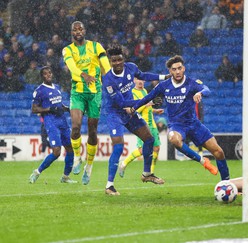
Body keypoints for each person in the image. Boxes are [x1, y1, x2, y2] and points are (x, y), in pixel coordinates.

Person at [129, 55, 230, 180]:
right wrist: (133, 108)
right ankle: (202, 161)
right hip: (177, 125)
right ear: (170, 71)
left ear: (184, 69)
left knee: (219, 152)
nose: (177, 71)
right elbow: (147, 98)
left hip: (194, 124)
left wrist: (200, 93)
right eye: (174, 69)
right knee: (173, 139)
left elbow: (206, 89)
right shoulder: (164, 85)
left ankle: (226, 183)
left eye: (179, 68)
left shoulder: (192, 83)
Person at [102, 45, 169, 195]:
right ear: (110, 61)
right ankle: (109, 186)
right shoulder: (108, 80)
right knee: (119, 146)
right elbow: (121, 104)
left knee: (149, 139)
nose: (118, 63)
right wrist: (147, 100)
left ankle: (147, 174)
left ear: (123, 58)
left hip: (130, 113)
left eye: (120, 59)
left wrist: (163, 77)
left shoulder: (131, 68)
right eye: (114, 61)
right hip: (115, 115)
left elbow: (144, 75)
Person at [62, 21, 111, 185]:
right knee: (75, 127)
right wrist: (84, 75)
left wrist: (111, 77)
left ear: (85, 31)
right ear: (71, 33)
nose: (78, 31)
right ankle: (77, 157)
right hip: (77, 92)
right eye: (74, 29)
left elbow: (105, 64)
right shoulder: (67, 50)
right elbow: (71, 67)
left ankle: (88, 167)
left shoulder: (97, 47)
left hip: (95, 93)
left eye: (80, 28)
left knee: (92, 131)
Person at [29, 66, 76, 184]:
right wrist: (49, 109)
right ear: (42, 76)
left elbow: (59, 105)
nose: (49, 75)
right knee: (56, 152)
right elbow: (34, 109)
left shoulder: (57, 87)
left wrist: (69, 109)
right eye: (45, 74)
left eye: (50, 72)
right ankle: (37, 172)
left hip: (62, 121)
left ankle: (65, 177)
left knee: (70, 148)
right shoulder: (39, 90)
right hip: (51, 122)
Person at [119, 78, 165, 177]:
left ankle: (151, 173)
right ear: (134, 80)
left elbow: (147, 107)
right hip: (142, 125)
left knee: (156, 148)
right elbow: (135, 109)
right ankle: (124, 163)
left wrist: (155, 110)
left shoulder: (145, 91)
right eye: (138, 80)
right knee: (141, 150)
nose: (141, 82)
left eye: (143, 80)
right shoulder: (132, 93)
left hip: (152, 124)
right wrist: (147, 103)